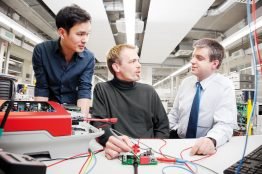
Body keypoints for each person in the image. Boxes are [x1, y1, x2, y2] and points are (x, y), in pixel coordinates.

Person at [92, 44, 169, 160]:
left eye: (138, 61)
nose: (139, 65)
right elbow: (99, 123)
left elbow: (163, 126)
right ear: (117, 67)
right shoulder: (102, 89)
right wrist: (112, 141)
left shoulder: (149, 91)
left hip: (147, 152)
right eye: (133, 61)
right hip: (118, 151)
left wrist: (153, 149)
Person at [168, 38, 237, 156]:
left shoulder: (224, 86)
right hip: (177, 142)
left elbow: (225, 124)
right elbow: (174, 114)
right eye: (193, 56)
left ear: (214, 64)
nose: (192, 61)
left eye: (199, 58)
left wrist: (212, 140)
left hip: (203, 147)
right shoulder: (186, 83)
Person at [32, 5, 95, 117]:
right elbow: (42, 87)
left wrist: (82, 120)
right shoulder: (42, 51)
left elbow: (84, 89)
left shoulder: (88, 58)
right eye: (80, 34)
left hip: (73, 112)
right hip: (50, 110)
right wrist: (41, 118)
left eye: (87, 34)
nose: (85, 40)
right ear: (62, 33)